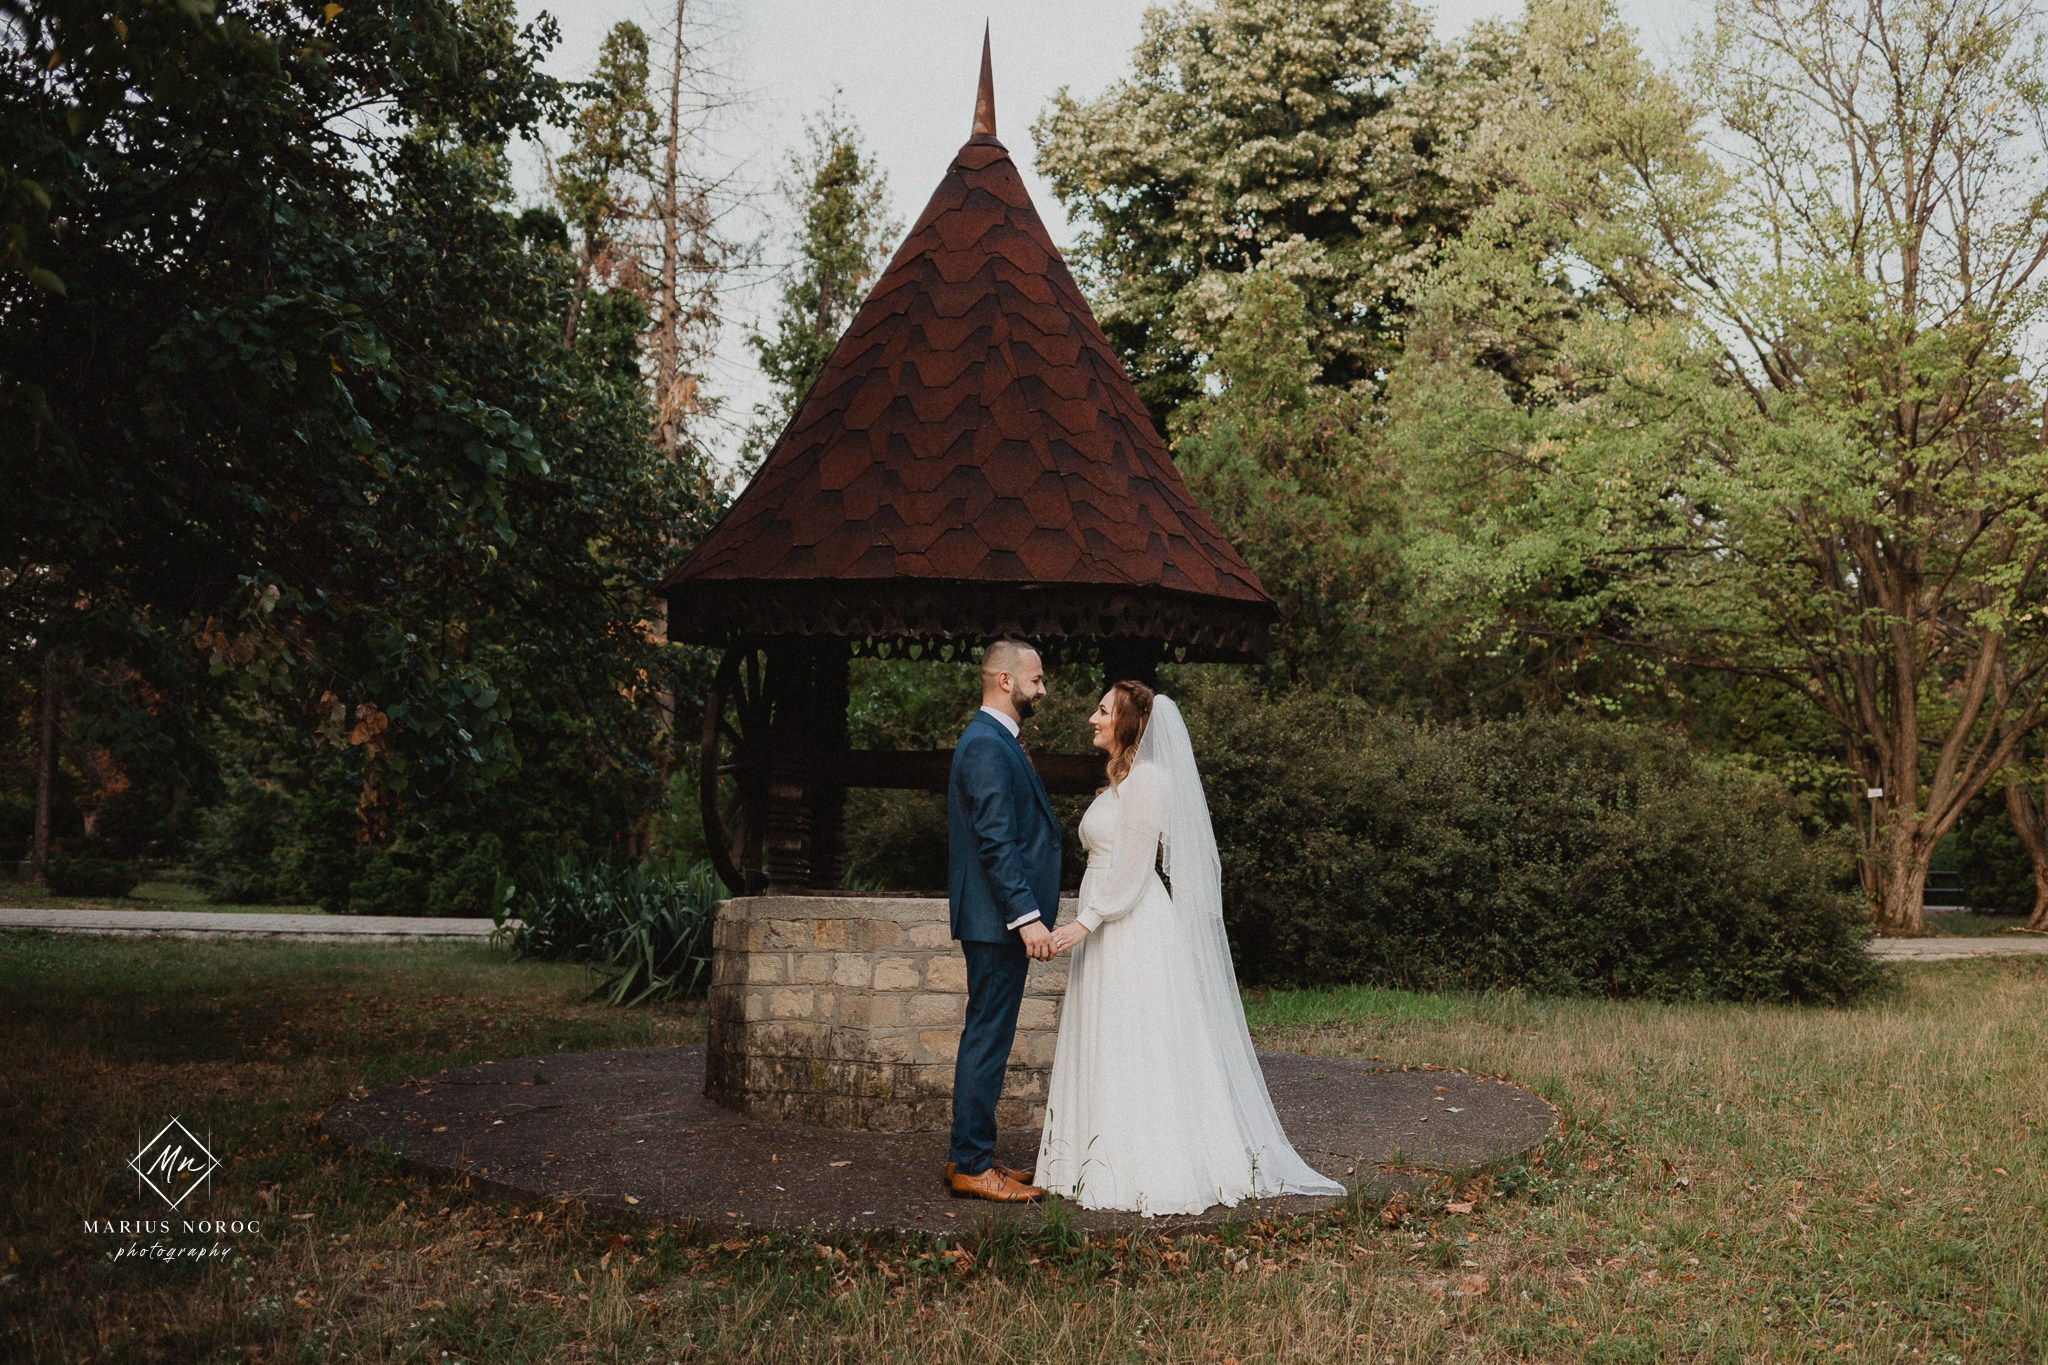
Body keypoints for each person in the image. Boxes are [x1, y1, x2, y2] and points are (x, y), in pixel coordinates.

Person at [1035, 682, 1347, 1215]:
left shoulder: (1148, 781)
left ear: (1128, 722)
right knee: (1107, 1034)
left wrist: (1081, 925)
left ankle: (1145, 1166)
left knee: (1137, 1041)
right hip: (1107, 922)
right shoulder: (1120, 781)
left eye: (1103, 711)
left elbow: (1134, 870)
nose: (1093, 718)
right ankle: (1087, 1160)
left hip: (1129, 926)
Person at [942, 639, 1061, 1202]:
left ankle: (971, 1155)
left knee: (988, 1034)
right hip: (997, 922)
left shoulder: (995, 740)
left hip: (996, 921)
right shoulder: (987, 744)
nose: (1043, 690)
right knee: (987, 1039)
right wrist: (1027, 918)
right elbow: (996, 841)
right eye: (1036, 680)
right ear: (1006, 681)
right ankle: (971, 1164)